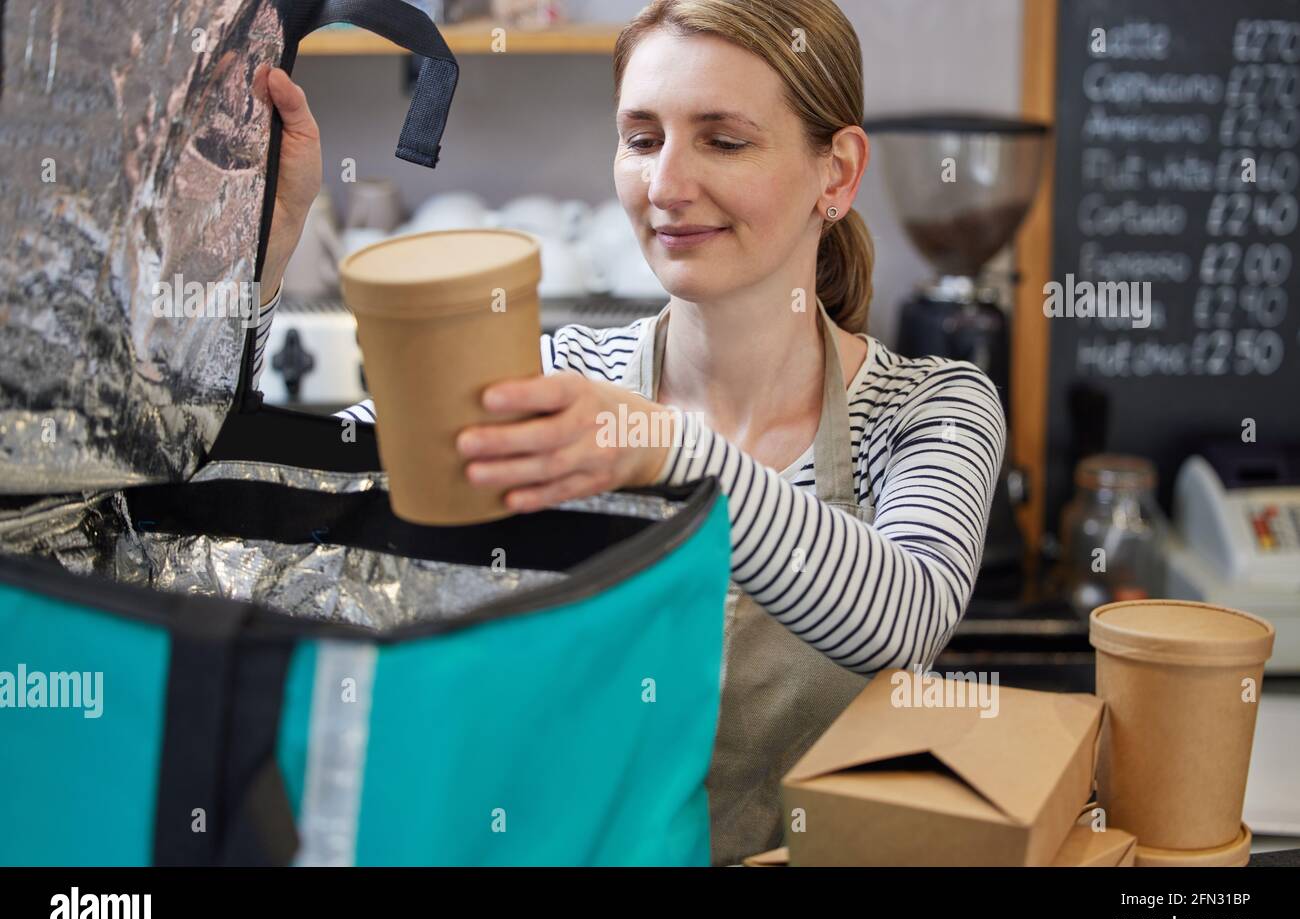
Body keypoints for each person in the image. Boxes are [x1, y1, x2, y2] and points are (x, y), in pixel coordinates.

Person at [252, 0, 1007, 865]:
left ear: (836, 173)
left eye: (723, 140)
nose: (666, 185)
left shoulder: (929, 408)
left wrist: (669, 450)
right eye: (642, 138)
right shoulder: (563, 370)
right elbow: (278, 492)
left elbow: (905, 612)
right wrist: (259, 261)